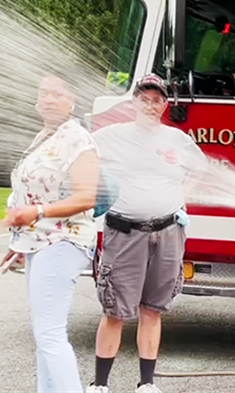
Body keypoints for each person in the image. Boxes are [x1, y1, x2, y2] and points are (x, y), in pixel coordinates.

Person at [87, 74, 206, 393]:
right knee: (115, 310)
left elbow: (200, 169)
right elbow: (82, 161)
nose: (151, 105)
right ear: (133, 102)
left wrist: (182, 199)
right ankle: (100, 385)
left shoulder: (177, 140)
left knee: (153, 309)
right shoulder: (109, 136)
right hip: (124, 232)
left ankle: (146, 384)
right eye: (145, 98)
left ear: (165, 104)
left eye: (157, 100)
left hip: (168, 232)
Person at [2, 73, 100, 393]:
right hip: (38, 242)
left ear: (72, 100)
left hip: (63, 240)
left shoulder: (76, 137)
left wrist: (37, 213)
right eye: (44, 93)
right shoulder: (44, 136)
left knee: (50, 335)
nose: (49, 99)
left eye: (57, 94)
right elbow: (27, 192)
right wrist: (20, 240)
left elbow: (86, 197)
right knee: (44, 335)